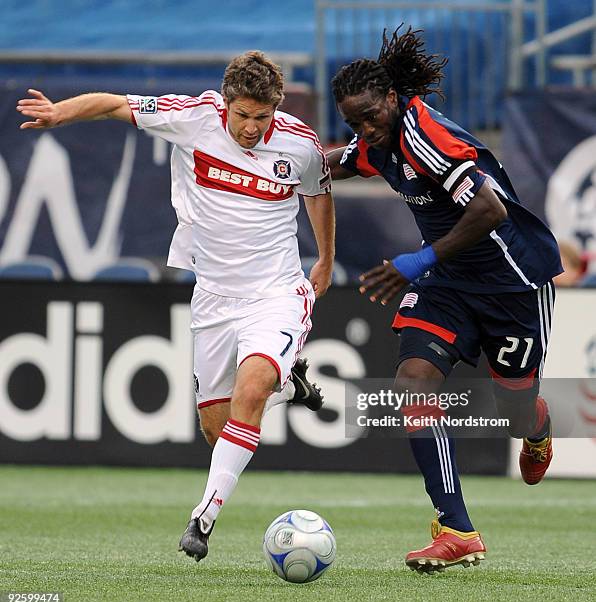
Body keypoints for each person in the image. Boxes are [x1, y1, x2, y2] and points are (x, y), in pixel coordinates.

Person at [17, 51, 335, 562]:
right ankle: (287, 388)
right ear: (226, 104)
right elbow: (113, 104)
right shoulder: (192, 117)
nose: (252, 128)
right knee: (217, 427)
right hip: (213, 296)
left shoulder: (299, 143)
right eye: (243, 116)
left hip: (277, 292)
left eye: (262, 117)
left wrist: (324, 259)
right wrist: (60, 113)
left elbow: (319, 193)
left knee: (250, 388)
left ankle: (202, 519)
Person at [327, 26, 562, 572]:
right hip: (449, 285)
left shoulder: (425, 135)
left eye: (371, 116)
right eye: (353, 122)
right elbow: (345, 160)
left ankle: (538, 426)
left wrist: (421, 259)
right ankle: (456, 528)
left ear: (392, 98)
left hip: (513, 283)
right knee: (412, 382)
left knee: (516, 411)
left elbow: (491, 210)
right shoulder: (378, 140)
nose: (366, 130)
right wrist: (289, 165)